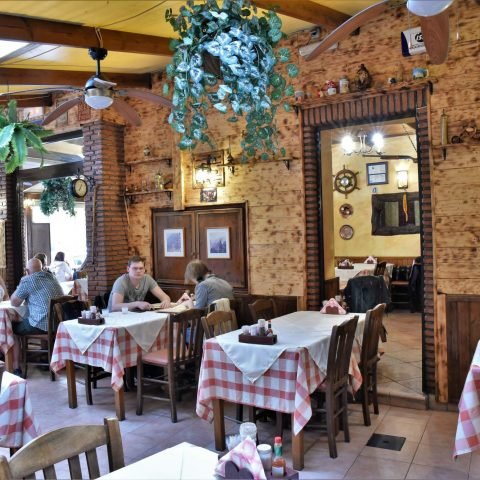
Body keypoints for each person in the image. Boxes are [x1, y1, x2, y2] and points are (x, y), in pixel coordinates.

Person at [10, 257, 64, 376]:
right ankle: (45, 357)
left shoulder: (28, 280)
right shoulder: (51, 277)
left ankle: (16, 367)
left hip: (41, 325)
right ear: (41, 268)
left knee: (11, 328)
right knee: (39, 317)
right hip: (59, 324)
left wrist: (21, 283)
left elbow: (14, 302)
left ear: (27, 271)